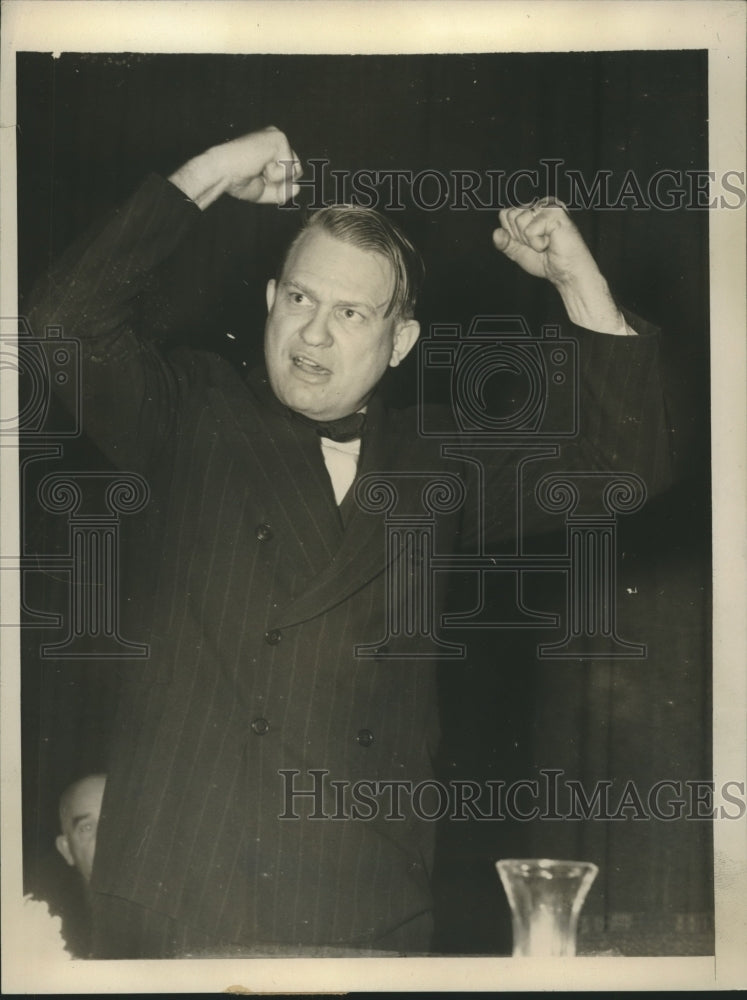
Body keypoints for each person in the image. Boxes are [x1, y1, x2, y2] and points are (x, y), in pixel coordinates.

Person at [26, 126, 672, 958]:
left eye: (350, 312)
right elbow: (57, 330)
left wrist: (574, 276)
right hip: (177, 900)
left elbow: (621, 462)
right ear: (269, 302)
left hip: (360, 904)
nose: (314, 335)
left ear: (399, 341)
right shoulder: (194, 413)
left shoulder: (434, 465)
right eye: (299, 299)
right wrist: (209, 173)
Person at [28, 774, 106, 958]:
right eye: (87, 827)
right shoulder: (48, 939)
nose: (106, 835)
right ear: (67, 850)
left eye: (116, 818)